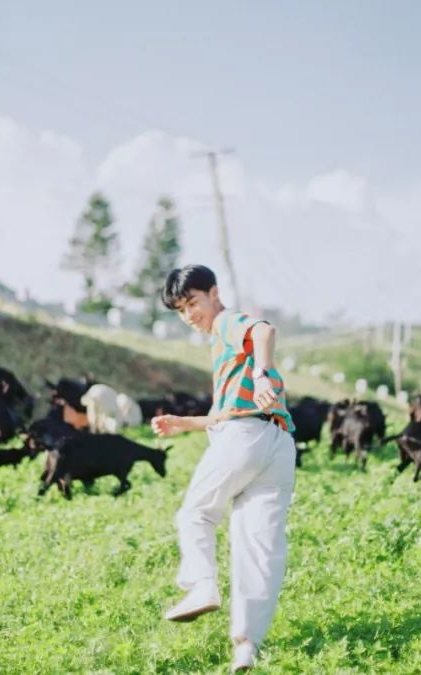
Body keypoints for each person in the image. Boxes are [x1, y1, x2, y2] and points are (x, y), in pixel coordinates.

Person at [152, 264, 296, 673]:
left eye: (192, 303)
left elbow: (264, 331)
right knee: (259, 548)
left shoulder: (226, 324)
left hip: (246, 437)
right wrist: (184, 423)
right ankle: (246, 646)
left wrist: (262, 373)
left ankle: (201, 585)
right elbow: (226, 414)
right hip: (278, 445)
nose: (189, 315)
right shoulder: (230, 353)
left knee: (196, 513)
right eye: (181, 310)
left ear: (213, 293)